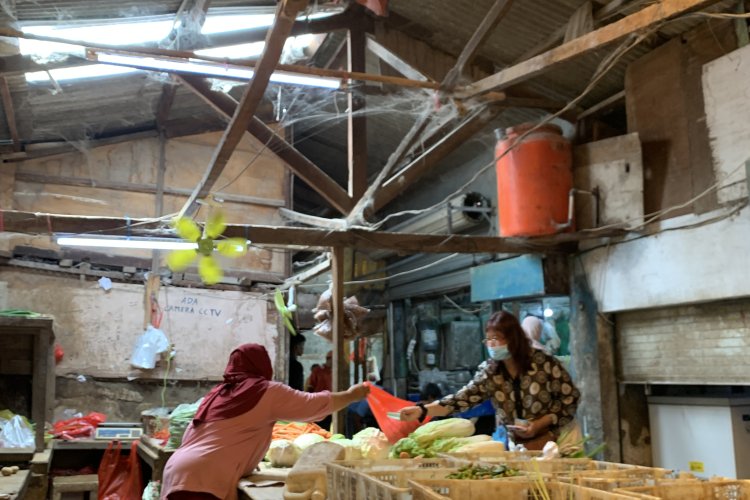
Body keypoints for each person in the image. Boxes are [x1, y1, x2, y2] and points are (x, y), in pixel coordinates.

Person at [161, 343, 368, 500]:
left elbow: (218, 436)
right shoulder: (265, 390)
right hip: (203, 479)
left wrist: (245, 463)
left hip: (179, 472)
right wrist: (351, 395)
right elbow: (312, 405)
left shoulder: (220, 392)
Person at [399, 311, 579, 450]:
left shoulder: (542, 363)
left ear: (513, 339)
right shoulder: (491, 372)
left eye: (497, 339)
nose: (492, 344)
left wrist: (540, 424)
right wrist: (422, 410)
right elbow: (461, 399)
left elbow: (570, 398)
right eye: (489, 339)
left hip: (557, 441)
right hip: (521, 446)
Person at [306, 350, 333, 430]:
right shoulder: (317, 370)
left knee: (327, 427)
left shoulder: (335, 372)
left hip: (330, 404)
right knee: (317, 426)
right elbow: (309, 388)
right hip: (317, 403)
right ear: (328, 359)